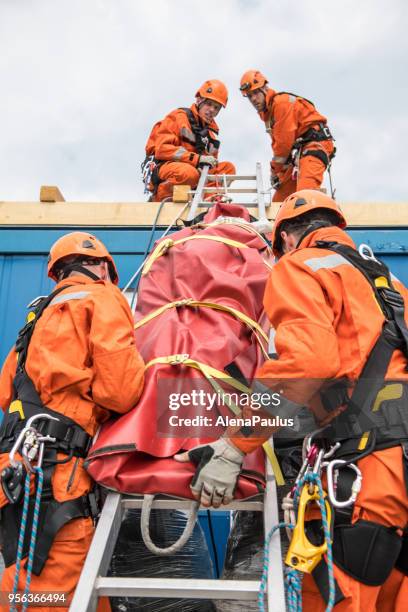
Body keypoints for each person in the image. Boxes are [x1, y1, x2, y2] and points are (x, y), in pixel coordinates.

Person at [177, 190, 408, 611]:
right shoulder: (390, 285)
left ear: (285, 239)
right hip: (398, 464)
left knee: (342, 597)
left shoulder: (301, 266)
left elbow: (309, 362)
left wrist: (234, 447)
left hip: (365, 470)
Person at [0, 232, 145, 611]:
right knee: (45, 594)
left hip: (15, 466)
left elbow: (5, 395)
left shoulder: (34, 318)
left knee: (40, 582)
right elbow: (121, 391)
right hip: (56, 474)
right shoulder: (102, 297)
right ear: (102, 268)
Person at [239, 70, 335, 202]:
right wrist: (280, 173)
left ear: (265, 89)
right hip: (301, 152)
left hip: (315, 146)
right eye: (249, 96)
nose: (253, 99)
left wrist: (274, 171)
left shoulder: (281, 104)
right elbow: (282, 148)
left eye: (256, 93)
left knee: (305, 195)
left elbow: (283, 146)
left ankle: (310, 220)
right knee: (279, 202)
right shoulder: (269, 113)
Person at [143, 79, 236, 201]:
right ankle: (161, 198)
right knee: (188, 173)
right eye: (209, 104)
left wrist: (203, 166)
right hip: (165, 168)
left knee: (227, 169)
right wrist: (197, 159)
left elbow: (210, 168)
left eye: (216, 107)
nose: (212, 110)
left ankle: (210, 202)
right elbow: (162, 149)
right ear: (199, 100)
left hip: (193, 177)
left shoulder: (211, 138)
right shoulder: (179, 118)